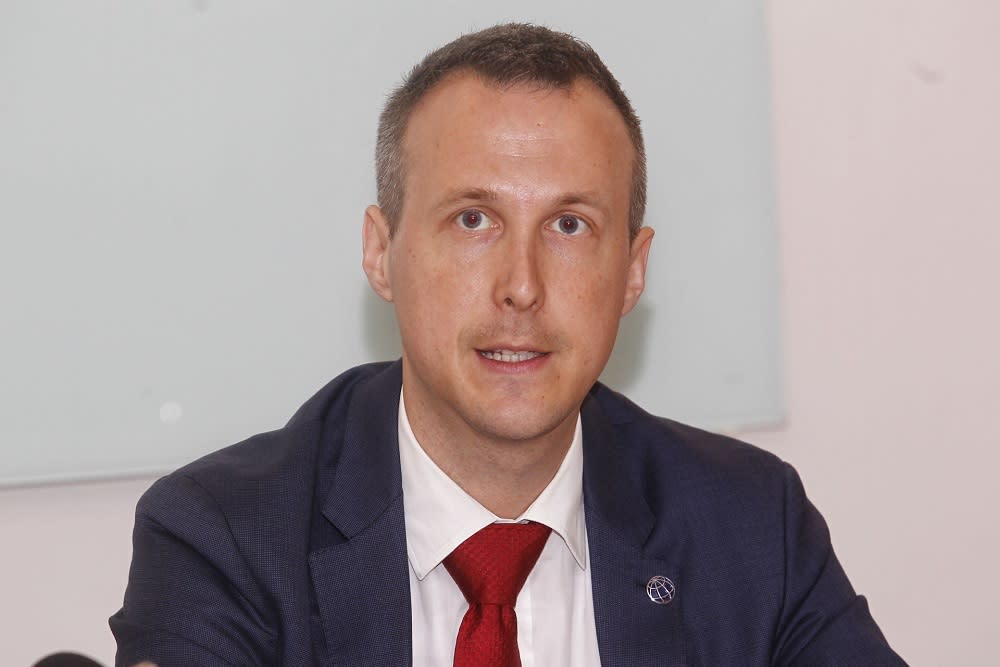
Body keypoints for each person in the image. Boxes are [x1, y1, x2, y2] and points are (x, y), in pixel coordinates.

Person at [110, 23, 907, 666]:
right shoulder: (226, 537)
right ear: (380, 253)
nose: (521, 286)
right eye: (472, 219)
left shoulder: (749, 525)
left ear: (632, 273)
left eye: (569, 226)